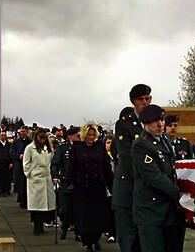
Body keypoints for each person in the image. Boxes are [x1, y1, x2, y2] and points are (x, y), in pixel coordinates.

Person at [131, 104, 182, 252]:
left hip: (169, 210)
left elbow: (171, 170)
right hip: (151, 212)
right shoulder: (141, 145)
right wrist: (178, 194)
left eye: (161, 120)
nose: (160, 124)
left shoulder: (164, 138)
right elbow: (154, 177)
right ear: (146, 123)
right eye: (155, 121)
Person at [113, 84, 152, 252]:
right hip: (129, 184)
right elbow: (128, 156)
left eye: (147, 98)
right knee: (129, 235)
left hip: (148, 188)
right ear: (132, 101)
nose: (145, 102)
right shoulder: (124, 124)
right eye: (141, 99)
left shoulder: (154, 122)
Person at [68, 123, 114, 252]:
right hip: (82, 187)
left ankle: (96, 239)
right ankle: (87, 242)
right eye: (89, 135)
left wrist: (111, 185)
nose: (91, 137)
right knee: (85, 217)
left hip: (98, 186)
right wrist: (71, 181)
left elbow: (106, 167)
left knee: (98, 216)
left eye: (93, 135)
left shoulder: (100, 147)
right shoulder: (77, 148)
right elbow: (71, 166)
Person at [24, 128, 57, 235]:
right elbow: (26, 163)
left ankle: (44, 223)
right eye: (40, 138)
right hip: (35, 179)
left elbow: (52, 161)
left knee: (46, 204)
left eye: (44, 138)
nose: (42, 140)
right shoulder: (30, 148)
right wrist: (30, 174)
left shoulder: (49, 148)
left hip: (47, 178)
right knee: (36, 205)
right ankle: (37, 226)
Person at [51, 125, 81, 240]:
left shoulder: (82, 147)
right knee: (64, 209)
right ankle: (64, 226)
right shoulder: (63, 148)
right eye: (77, 136)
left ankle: (78, 231)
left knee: (78, 208)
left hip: (78, 182)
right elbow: (55, 163)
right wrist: (55, 176)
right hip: (65, 182)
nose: (79, 138)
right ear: (71, 136)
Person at [12, 126, 33, 208]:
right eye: (21, 131)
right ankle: (21, 200)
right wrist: (18, 156)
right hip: (19, 165)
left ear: (27, 132)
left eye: (24, 131)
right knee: (20, 183)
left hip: (28, 166)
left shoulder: (31, 142)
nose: (22, 133)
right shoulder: (16, 142)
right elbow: (12, 152)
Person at [0, 133, 13, 197]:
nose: (3, 137)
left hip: (7, 163)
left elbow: (12, 154)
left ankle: (5, 191)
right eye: (2, 135)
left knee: (6, 178)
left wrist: (11, 162)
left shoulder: (9, 144)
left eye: (4, 135)